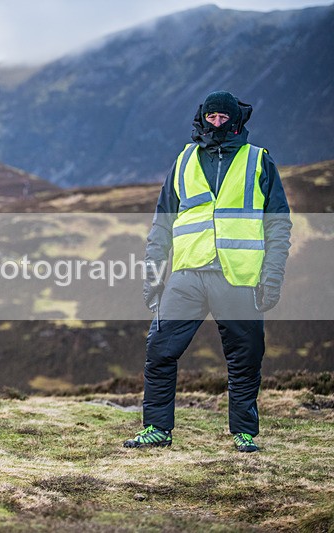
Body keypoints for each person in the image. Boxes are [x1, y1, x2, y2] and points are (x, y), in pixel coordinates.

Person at [124, 91, 292, 452]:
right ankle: (157, 428)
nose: (217, 123)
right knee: (160, 350)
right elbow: (162, 224)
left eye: (223, 118)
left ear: (236, 121)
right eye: (211, 117)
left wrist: (272, 278)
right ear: (202, 119)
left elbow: (278, 225)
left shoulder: (258, 160)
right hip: (188, 275)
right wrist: (153, 277)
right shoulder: (183, 160)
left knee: (246, 357)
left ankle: (243, 432)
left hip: (238, 276)